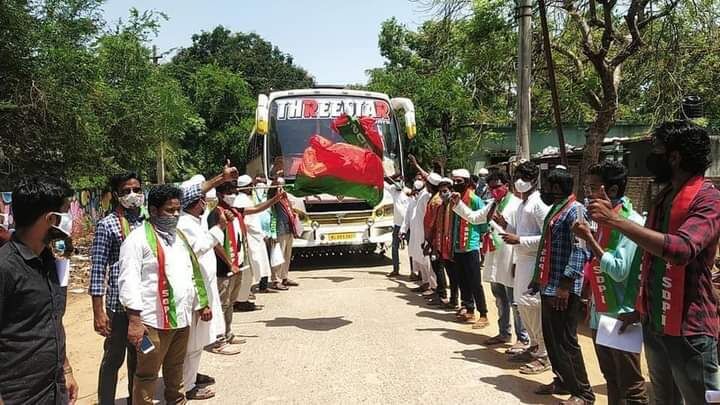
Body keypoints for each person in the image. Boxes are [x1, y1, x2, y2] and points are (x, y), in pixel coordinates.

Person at [589, 121, 720, 405]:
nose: (651, 158)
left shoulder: (708, 198)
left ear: (674, 157)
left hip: (689, 329)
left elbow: (682, 249)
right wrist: (640, 308)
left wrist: (614, 221)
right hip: (655, 322)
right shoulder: (663, 197)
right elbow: (649, 261)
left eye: (656, 150)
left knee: (700, 400)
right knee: (665, 399)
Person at [119, 184, 216, 404]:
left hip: (180, 319)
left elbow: (191, 271)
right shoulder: (137, 240)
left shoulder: (178, 237)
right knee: (147, 373)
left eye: (177, 210)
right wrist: (134, 321)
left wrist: (202, 303)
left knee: (175, 370)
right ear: (153, 210)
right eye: (169, 210)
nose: (174, 215)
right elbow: (129, 281)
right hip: (152, 323)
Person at [571, 161, 649, 405]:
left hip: (622, 315)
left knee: (632, 386)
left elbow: (618, 270)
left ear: (611, 191)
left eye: (593, 188)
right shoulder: (603, 220)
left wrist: (589, 240)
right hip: (600, 311)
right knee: (611, 378)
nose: (588, 193)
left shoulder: (631, 222)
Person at [0, 176, 78, 404]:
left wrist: (66, 369)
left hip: (53, 390)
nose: (69, 220)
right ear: (51, 219)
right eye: (66, 213)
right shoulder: (5, 267)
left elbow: (53, 318)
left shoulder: (50, 259)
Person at [531, 168, 594, 405]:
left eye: (549, 187)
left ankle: (583, 393)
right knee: (552, 338)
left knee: (566, 341)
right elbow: (548, 247)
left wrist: (565, 286)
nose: (546, 191)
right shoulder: (557, 209)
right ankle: (562, 379)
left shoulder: (576, 211)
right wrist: (538, 277)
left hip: (563, 289)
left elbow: (580, 250)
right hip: (549, 284)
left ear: (558, 189)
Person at [452, 171, 529, 351]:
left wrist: (517, 260)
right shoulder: (493, 204)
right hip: (495, 255)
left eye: (497, 187)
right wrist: (458, 205)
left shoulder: (517, 205)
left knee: (515, 300)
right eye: (491, 188)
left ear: (507, 186)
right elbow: (474, 217)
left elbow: (520, 233)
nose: (494, 191)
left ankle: (523, 338)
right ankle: (504, 332)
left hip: (510, 257)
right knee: (499, 298)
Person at [90, 172, 145, 405]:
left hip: (142, 304)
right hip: (117, 306)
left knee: (140, 354)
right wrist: (98, 312)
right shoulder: (107, 225)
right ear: (116, 195)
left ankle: (135, 399)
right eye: (126, 191)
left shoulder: (146, 222)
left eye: (136, 189)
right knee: (113, 358)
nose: (132, 195)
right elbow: (97, 270)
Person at [177, 176, 231, 400]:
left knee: (198, 340)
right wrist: (219, 228)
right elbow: (199, 248)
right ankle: (187, 386)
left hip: (205, 288)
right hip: (196, 291)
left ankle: (191, 376)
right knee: (193, 342)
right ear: (195, 202)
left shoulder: (193, 222)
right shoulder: (184, 224)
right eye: (202, 201)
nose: (205, 205)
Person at [499, 161, 552, 375]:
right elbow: (520, 231)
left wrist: (519, 239)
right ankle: (533, 345)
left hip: (532, 261)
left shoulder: (538, 203)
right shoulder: (523, 204)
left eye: (524, 177)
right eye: (517, 176)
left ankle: (545, 355)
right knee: (521, 304)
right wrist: (505, 226)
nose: (519, 182)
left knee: (533, 306)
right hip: (521, 260)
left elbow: (547, 236)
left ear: (534, 180)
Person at [232, 175, 284, 309]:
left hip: (255, 239)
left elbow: (257, 208)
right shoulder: (240, 201)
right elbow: (253, 212)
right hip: (248, 240)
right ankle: (240, 301)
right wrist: (274, 200)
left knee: (252, 271)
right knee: (247, 271)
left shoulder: (246, 199)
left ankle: (243, 298)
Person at [450, 168, 489, 328]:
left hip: (471, 245)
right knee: (462, 280)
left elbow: (482, 222)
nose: (456, 184)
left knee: (475, 281)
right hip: (458, 246)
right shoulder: (455, 199)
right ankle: (469, 308)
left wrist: (479, 240)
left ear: (467, 183)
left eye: (459, 181)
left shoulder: (475, 199)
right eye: (454, 181)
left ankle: (484, 313)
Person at [424, 177, 456, 308]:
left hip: (445, 243)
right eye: (441, 190)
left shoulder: (438, 202)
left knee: (443, 269)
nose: (443, 193)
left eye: (445, 190)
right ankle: (444, 295)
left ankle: (445, 296)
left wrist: (430, 240)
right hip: (438, 240)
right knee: (442, 269)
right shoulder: (441, 204)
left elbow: (432, 223)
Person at [402, 178, 436, 294]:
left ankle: (433, 286)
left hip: (424, 233)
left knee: (426, 261)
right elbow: (408, 216)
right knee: (418, 259)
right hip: (415, 234)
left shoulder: (426, 196)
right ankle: (425, 283)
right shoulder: (414, 199)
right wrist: (403, 230)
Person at [268, 177, 299, 290]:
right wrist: (276, 191)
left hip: (289, 228)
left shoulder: (285, 198)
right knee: (278, 255)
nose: (282, 187)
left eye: (283, 185)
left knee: (287, 255)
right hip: (279, 229)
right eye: (279, 185)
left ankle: (284, 277)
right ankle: (276, 280)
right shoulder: (273, 198)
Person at [384, 173, 410, 277]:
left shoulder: (408, 192)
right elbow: (383, 182)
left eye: (400, 180)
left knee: (412, 249)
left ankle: (414, 272)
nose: (398, 183)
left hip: (408, 225)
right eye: (396, 181)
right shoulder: (393, 190)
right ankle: (395, 269)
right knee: (394, 247)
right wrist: (393, 177)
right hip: (397, 225)